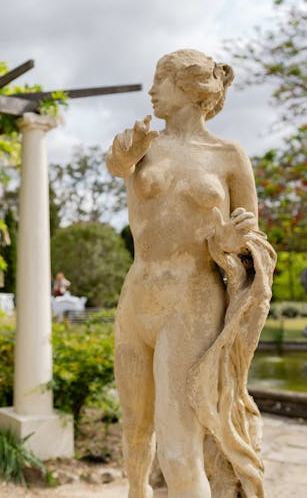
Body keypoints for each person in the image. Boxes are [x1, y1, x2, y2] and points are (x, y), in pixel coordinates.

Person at [106, 49, 276, 498]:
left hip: (192, 302)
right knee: (135, 431)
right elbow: (117, 163)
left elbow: (252, 240)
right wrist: (125, 155)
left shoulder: (228, 155)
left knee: (179, 450)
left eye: (160, 80)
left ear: (189, 88)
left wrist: (229, 243)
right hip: (137, 297)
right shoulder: (142, 146)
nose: (151, 90)